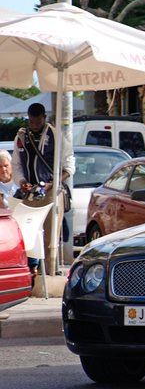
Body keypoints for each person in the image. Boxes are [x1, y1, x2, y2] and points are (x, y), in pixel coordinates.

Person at [12, 103, 75, 276]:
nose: (34, 126)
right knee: (26, 233)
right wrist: (22, 182)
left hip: (51, 192)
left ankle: (49, 273)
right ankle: (29, 273)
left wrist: (53, 183)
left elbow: (69, 165)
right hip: (29, 192)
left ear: (44, 119)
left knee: (50, 236)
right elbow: (16, 164)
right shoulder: (21, 136)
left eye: (38, 123)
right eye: (32, 123)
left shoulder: (57, 136)